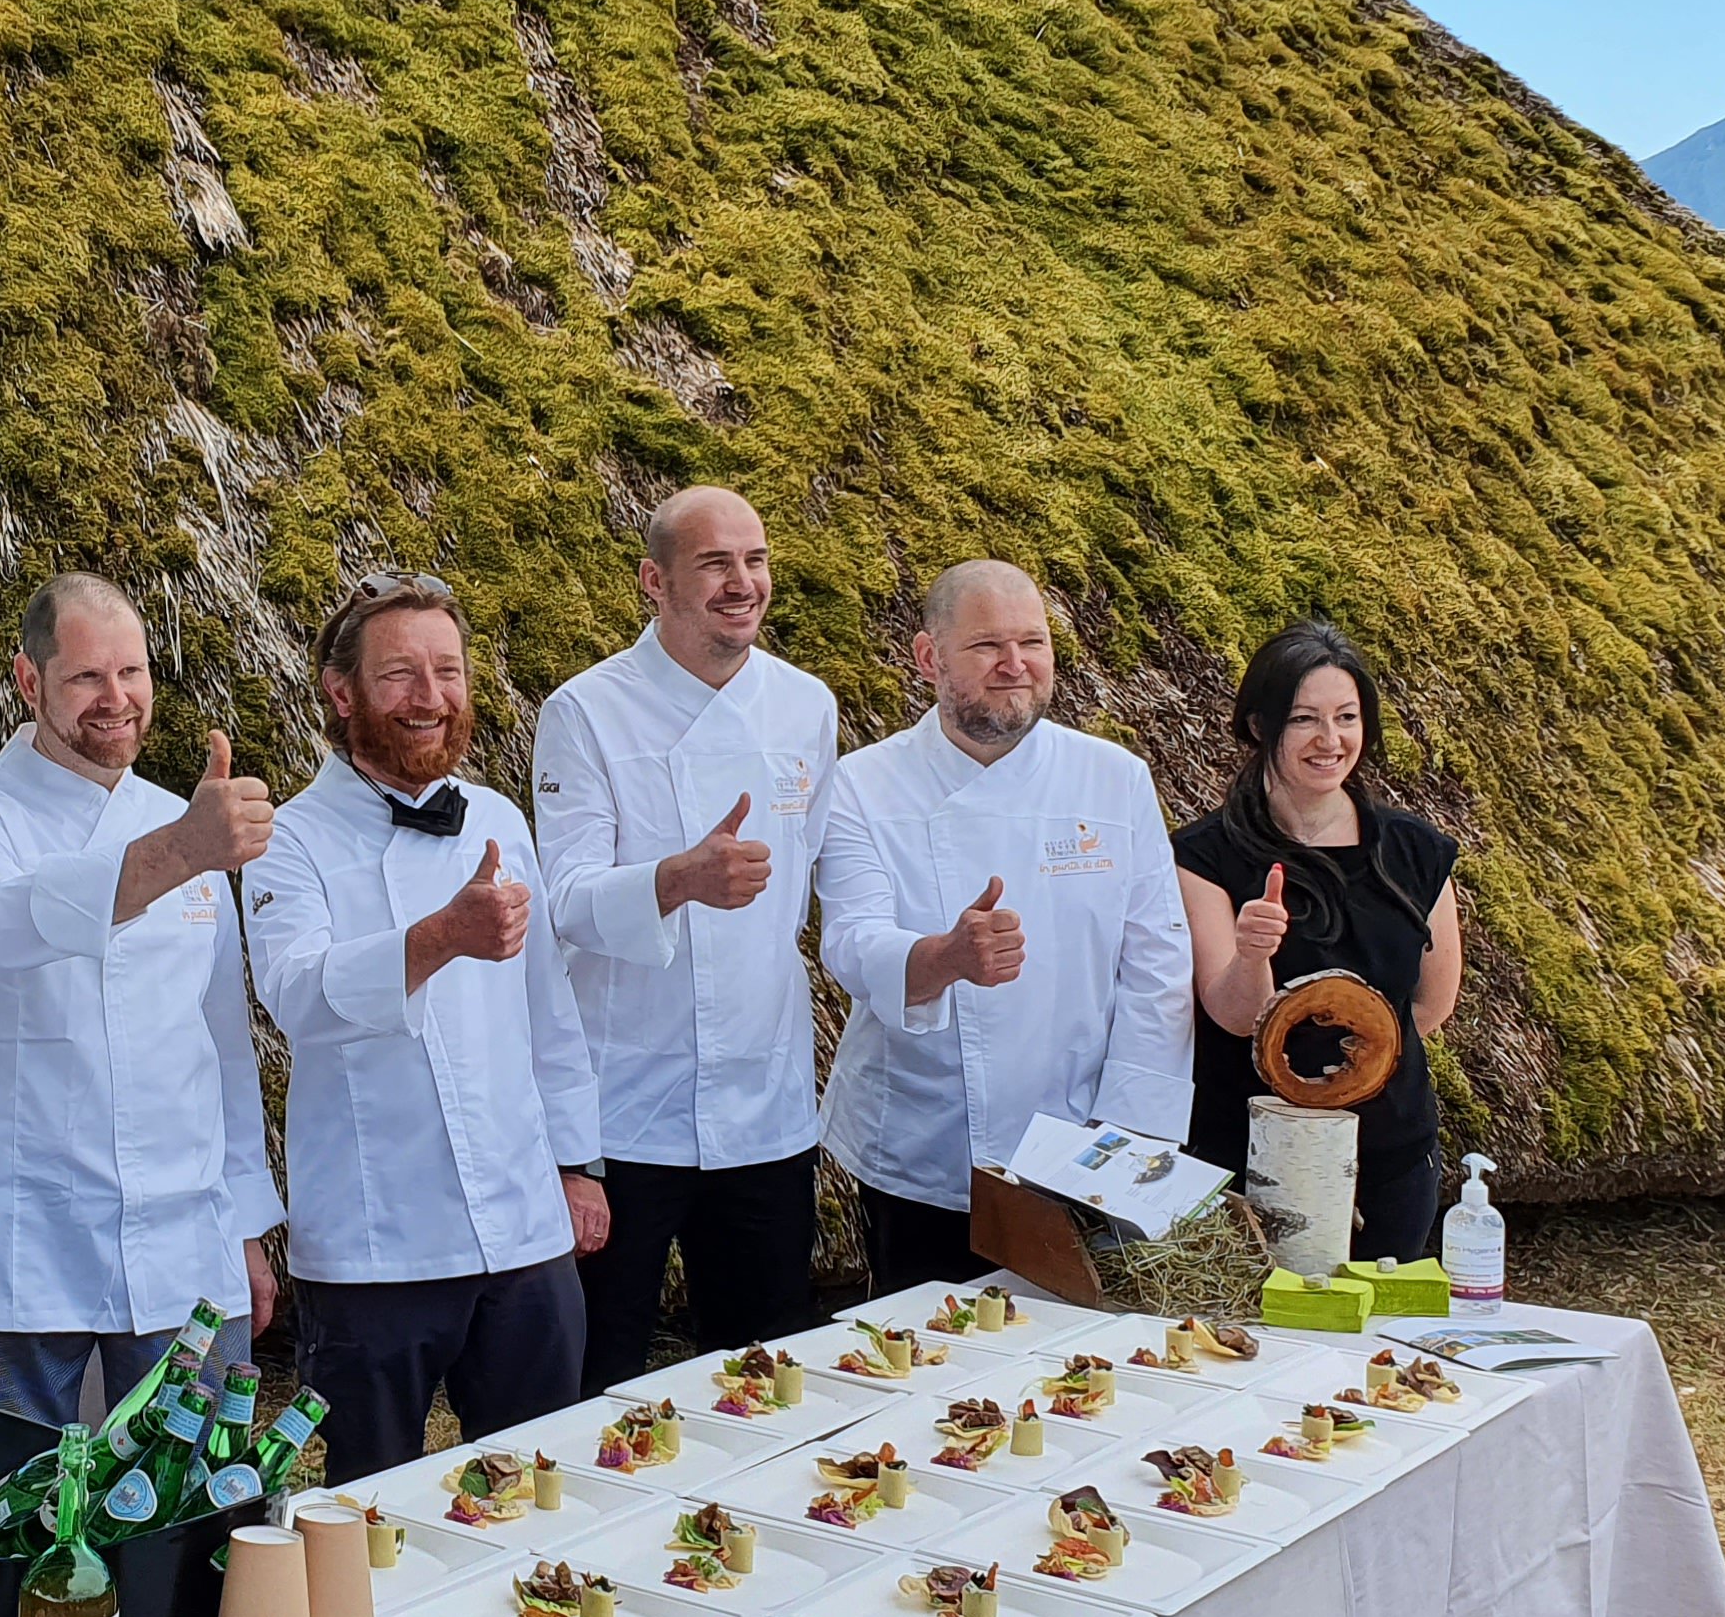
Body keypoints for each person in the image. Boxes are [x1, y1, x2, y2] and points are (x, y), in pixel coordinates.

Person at [249, 573, 603, 1482]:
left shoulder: (497, 818)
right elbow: (298, 996)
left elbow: (547, 1014)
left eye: (447, 672)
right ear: (342, 693)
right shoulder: (287, 839)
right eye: (401, 675)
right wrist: (441, 935)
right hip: (376, 1250)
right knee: (372, 1512)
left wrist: (578, 1165)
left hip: (525, 1236)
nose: (431, 698)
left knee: (541, 1488)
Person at [0, 573, 282, 1425]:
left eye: (133, 673)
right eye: (86, 678)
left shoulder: (184, 825)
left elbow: (223, 1044)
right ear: (28, 680)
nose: (116, 700)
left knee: (191, 1518)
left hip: (184, 1243)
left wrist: (248, 1227)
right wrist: (181, 850)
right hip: (14, 1249)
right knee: (7, 1522)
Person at [531, 486, 842, 1389]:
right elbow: (568, 900)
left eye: (755, 561)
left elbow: (810, 875)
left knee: (762, 1370)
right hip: (629, 1104)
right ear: (653, 582)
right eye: (715, 564)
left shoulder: (807, 706)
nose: (742, 583)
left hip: (764, 1104)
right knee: (598, 1367)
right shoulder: (586, 711)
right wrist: (678, 881)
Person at [815, 561, 1192, 1289]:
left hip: (1085, 1143)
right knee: (924, 1359)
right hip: (922, 1148)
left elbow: (1157, 967)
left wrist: (1126, 1139)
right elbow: (853, 943)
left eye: (1033, 643)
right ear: (929, 658)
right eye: (988, 646)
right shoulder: (863, 785)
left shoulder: (1114, 779)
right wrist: (944, 957)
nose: (1015, 666)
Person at [1174, 622, 1467, 1257]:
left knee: (1379, 1337)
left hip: (1390, 1148)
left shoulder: (1415, 851)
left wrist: (1355, 1076)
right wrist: (1253, 953)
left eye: (1346, 717)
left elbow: (1431, 1004)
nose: (1329, 740)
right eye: (1304, 719)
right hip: (1248, 1149)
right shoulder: (1204, 855)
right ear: (1259, 726)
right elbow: (1231, 1015)